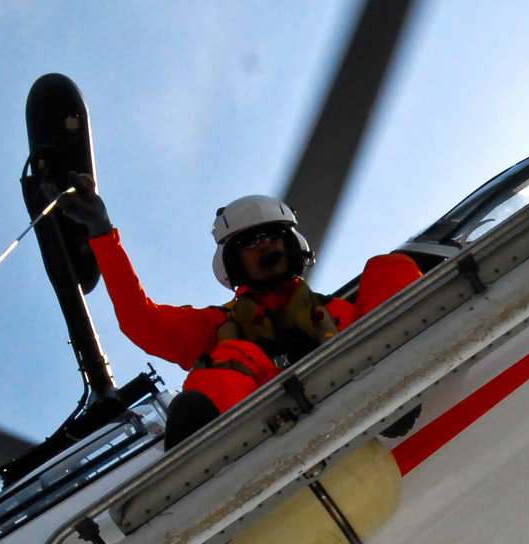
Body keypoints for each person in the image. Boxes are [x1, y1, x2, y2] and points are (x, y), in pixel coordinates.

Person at [53, 175, 421, 446]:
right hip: (268, 425)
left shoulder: (339, 311)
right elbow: (142, 322)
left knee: (390, 268)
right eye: (248, 241)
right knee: (232, 353)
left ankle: (395, 384)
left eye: (273, 235)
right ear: (234, 261)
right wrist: (101, 231)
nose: (265, 244)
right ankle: (206, 459)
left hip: (361, 380)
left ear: (292, 244)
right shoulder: (218, 324)